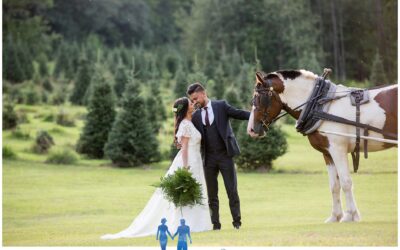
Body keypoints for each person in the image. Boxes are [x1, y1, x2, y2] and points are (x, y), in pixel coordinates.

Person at [101, 97, 212, 240]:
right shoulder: (185, 124)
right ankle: (186, 223)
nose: (193, 104)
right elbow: (184, 149)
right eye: (190, 103)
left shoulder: (189, 122)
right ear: (185, 108)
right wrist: (185, 167)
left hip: (196, 161)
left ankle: (197, 223)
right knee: (184, 192)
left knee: (195, 191)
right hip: (188, 161)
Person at [187, 82, 250, 230]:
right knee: (212, 195)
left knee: (232, 190)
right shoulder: (195, 116)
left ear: (203, 93)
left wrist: (255, 116)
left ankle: (237, 222)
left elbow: (238, 113)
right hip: (208, 159)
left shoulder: (221, 106)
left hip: (225, 156)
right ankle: (215, 224)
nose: (194, 102)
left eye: (196, 98)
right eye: (192, 100)